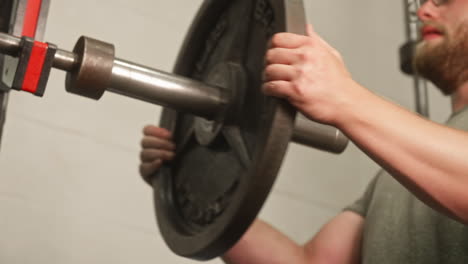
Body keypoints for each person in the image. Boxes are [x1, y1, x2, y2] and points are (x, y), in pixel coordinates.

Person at [139, 0, 468, 263]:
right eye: (423, 1)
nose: (423, 10)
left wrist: (342, 96)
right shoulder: (394, 178)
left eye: (443, 0)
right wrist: (186, 180)